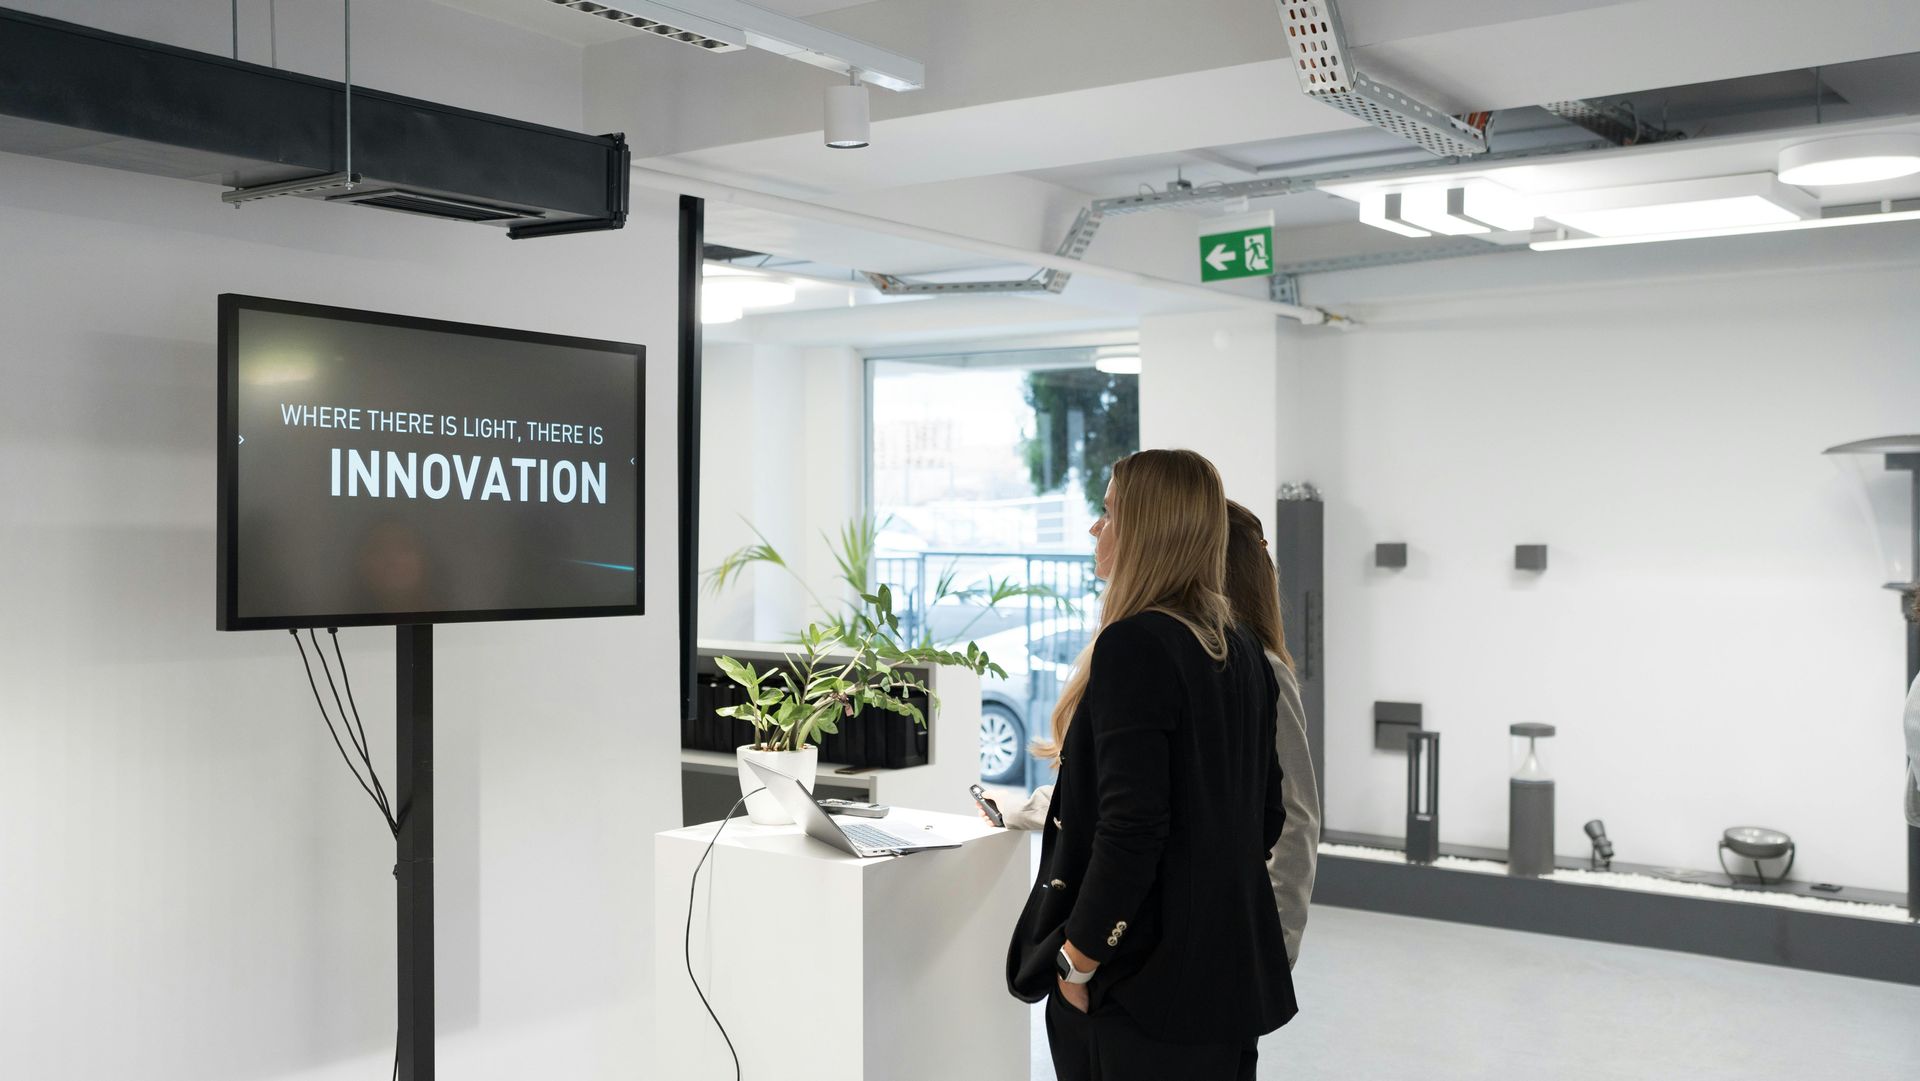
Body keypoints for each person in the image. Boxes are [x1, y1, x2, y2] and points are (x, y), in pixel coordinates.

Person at [1003, 449, 1296, 1081]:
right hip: (1224, 979)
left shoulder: (1135, 645)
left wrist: (1079, 958)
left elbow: (1132, 829)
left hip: (1139, 987)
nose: (1095, 529)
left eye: (1109, 512)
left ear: (1146, 530)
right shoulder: (1244, 647)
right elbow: (1267, 816)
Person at [997, 501, 1321, 968]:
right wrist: (1020, 810)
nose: (1098, 530)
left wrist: (1275, 948)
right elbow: (1137, 793)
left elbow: (1293, 819)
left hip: (1201, 944)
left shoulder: (1253, 667)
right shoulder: (1163, 655)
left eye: (1112, 515)